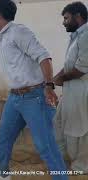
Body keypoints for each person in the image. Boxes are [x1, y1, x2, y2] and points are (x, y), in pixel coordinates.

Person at [0, 0, 68, 179]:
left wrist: (49, 86)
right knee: (3, 138)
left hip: (35, 97)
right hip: (15, 98)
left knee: (45, 146)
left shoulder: (19, 32)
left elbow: (44, 57)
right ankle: (3, 175)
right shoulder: (2, 37)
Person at [53, 1, 88, 174]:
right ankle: (61, 161)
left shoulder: (87, 35)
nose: (64, 22)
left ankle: (81, 168)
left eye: (66, 18)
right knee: (58, 123)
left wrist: (60, 79)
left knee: (81, 131)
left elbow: (81, 69)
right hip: (70, 91)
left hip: (82, 92)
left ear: (78, 16)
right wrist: (53, 80)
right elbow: (69, 66)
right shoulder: (76, 37)